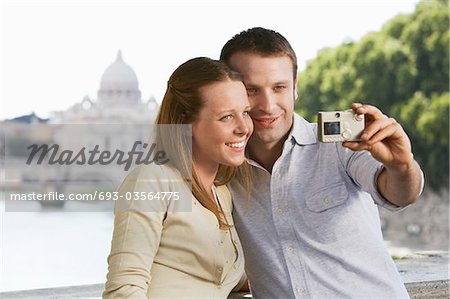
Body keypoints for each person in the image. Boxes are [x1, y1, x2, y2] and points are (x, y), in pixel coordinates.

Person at [220, 27, 424, 298]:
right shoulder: (222, 169)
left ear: (295, 88)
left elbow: (399, 193)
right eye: (251, 90)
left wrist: (401, 166)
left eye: (279, 87)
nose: (267, 105)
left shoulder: (340, 143)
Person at [103, 57, 253, 298]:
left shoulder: (222, 193)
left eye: (245, 112)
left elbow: (219, 278)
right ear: (185, 121)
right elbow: (123, 291)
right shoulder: (152, 181)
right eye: (226, 117)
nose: (244, 128)